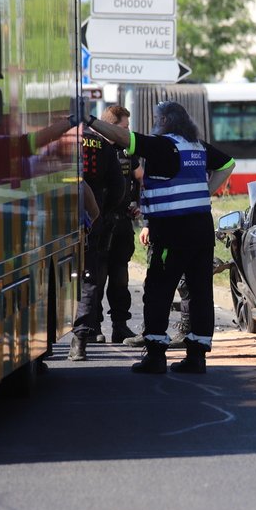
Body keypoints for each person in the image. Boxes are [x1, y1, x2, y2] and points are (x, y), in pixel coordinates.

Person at [85, 102, 234, 374]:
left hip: (172, 233)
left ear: (165, 120)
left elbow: (121, 137)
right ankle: (197, 357)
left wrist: (90, 120)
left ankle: (155, 356)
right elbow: (228, 163)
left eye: (156, 118)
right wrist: (206, 192)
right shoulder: (197, 147)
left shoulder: (163, 146)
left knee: (158, 290)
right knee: (201, 293)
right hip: (201, 232)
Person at [69, 121, 125, 361]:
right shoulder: (102, 143)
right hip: (91, 219)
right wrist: (103, 212)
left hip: (51, 220)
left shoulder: (58, 140)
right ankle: (79, 340)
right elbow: (118, 186)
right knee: (89, 278)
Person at [94, 105, 141, 344]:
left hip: (122, 222)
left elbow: (139, 177)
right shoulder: (92, 147)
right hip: (98, 222)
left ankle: (120, 326)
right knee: (96, 276)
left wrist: (137, 203)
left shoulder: (126, 151)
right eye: (124, 127)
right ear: (111, 126)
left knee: (120, 276)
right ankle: (93, 328)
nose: (128, 131)